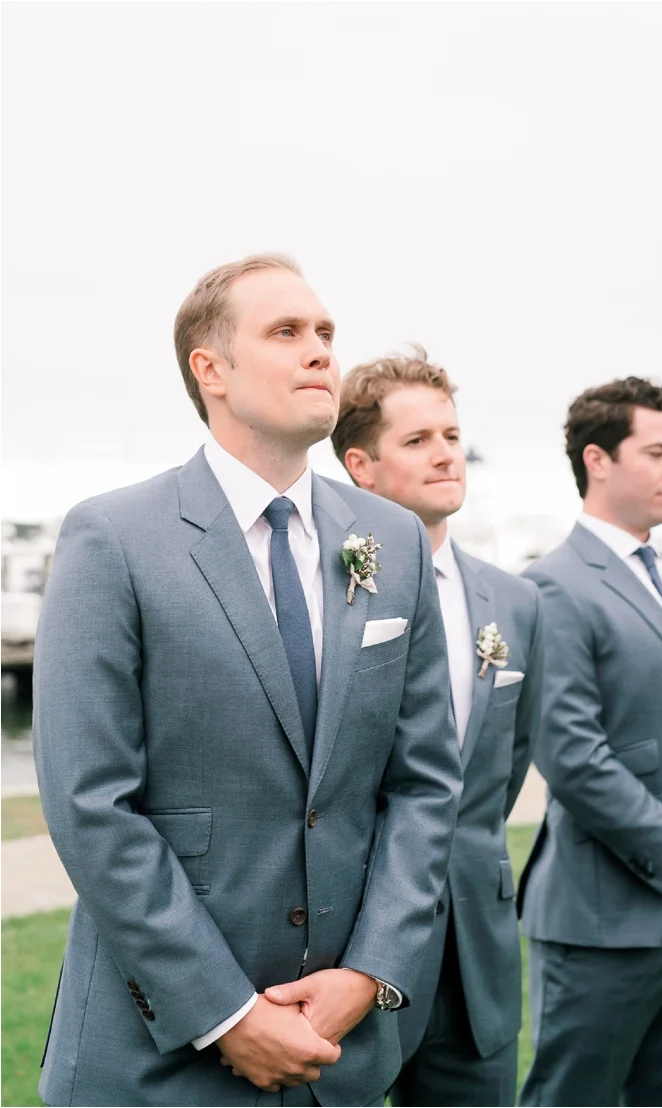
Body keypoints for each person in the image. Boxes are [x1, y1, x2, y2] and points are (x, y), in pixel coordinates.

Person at [32, 255, 463, 1105]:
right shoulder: (113, 539)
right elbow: (89, 803)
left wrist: (371, 970)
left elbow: (424, 784)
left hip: (339, 1053)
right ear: (212, 369)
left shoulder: (392, 539)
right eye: (287, 332)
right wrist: (225, 1013)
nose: (320, 352)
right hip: (156, 1055)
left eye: (326, 334)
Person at [518, 378, 662, 1107]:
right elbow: (574, 758)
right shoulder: (550, 588)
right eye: (656, 451)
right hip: (603, 918)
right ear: (598, 460)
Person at [332, 349, 542, 1107]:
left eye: (451, 435)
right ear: (361, 463)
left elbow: (504, 769)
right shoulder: (330, 588)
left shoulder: (514, 604)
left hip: (477, 955)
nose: (446, 453)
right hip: (347, 949)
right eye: (417, 440)